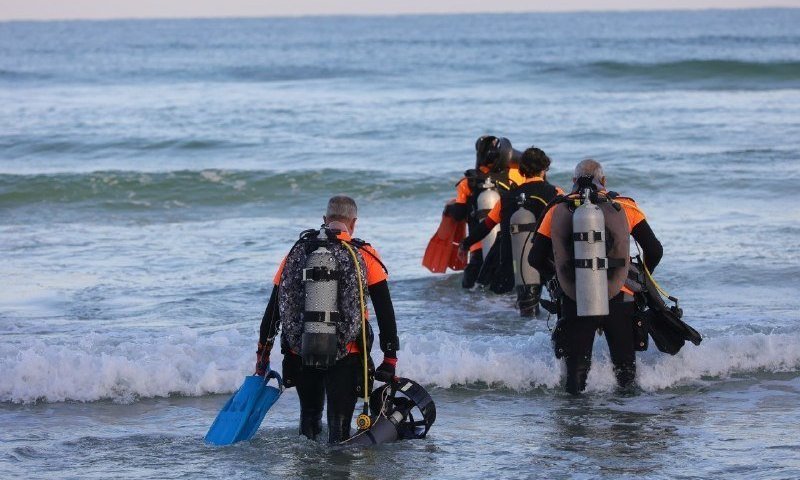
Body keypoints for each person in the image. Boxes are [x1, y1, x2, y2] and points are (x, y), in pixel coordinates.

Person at [256, 195, 400, 442]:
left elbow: (274, 309)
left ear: (325, 220)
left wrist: (263, 354)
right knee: (340, 430)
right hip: (348, 354)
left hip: (301, 352)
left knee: (309, 422)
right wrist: (390, 358)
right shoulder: (364, 254)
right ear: (353, 223)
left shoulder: (298, 251)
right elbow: (385, 311)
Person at [528, 159, 663, 394]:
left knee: (576, 375)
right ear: (604, 181)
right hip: (622, 296)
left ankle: (575, 426)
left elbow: (535, 259)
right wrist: (639, 279)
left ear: (573, 182)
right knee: (625, 371)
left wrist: (559, 280)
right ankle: (627, 423)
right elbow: (654, 250)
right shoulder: (625, 206)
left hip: (576, 296)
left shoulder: (557, 208)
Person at [458, 147, 563, 313]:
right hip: (543, 267)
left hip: (508, 267)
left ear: (521, 171)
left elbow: (485, 227)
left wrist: (465, 244)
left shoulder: (506, 198)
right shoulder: (555, 193)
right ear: (544, 169)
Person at [444, 136, 515, 288]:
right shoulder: (511, 178)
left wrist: (451, 206)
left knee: (471, 289)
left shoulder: (467, 182)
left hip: (478, 245)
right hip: (506, 245)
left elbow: (458, 214)